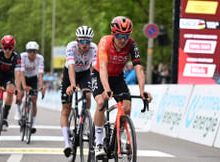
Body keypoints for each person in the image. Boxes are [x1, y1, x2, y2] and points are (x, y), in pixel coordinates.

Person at [91, 16, 152, 157]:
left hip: (117, 77)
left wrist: (142, 90)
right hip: (100, 74)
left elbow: (138, 68)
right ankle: (98, 142)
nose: (123, 39)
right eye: (119, 36)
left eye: (126, 36)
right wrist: (106, 89)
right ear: (113, 34)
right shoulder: (105, 42)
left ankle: (118, 136)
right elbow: (103, 67)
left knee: (127, 105)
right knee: (101, 102)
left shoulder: (131, 44)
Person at [60, 26, 97, 157]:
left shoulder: (94, 48)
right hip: (70, 73)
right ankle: (66, 143)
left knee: (87, 95)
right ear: (77, 40)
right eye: (82, 41)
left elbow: (96, 67)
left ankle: (84, 119)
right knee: (66, 108)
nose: (85, 44)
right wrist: (73, 85)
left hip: (85, 73)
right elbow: (71, 66)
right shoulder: (71, 47)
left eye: (88, 41)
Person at [15, 41, 45, 134]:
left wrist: (42, 86)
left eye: (34, 51)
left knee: (34, 100)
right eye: (30, 51)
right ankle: (18, 112)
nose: (32, 54)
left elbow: (40, 74)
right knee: (20, 94)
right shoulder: (22, 56)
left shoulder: (40, 58)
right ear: (27, 51)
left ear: (37, 52)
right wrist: (23, 86)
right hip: (22, 76)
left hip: (32, 78)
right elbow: (22, 72)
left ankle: (33, 124)